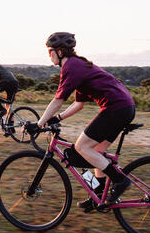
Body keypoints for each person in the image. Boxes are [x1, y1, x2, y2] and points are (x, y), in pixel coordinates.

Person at [36, 32, 136, 211]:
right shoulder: (78, 65)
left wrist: (39, 124)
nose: (48, 55)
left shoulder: (71, 66)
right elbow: (78, 104)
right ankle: (99, 196)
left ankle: (120, 181)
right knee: (96, 152)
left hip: (115, 108)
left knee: (82, 147)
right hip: (124, 107)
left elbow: (58, 99)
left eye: (49, 51)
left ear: (59, 51)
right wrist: (57, 118)